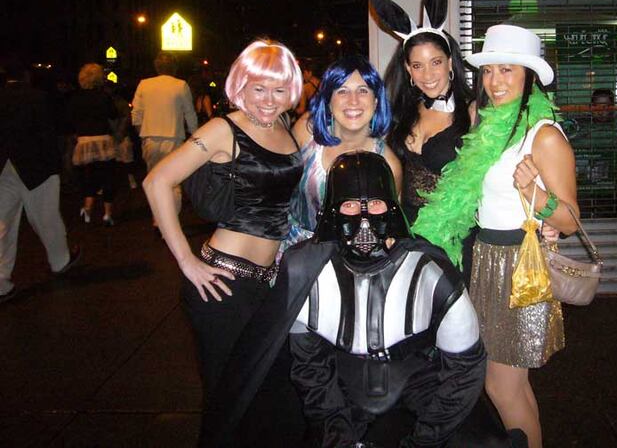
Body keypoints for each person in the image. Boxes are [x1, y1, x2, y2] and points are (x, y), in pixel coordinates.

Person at [202, 152, 527, 448]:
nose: (364, 219)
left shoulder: (430, 271)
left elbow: (465, 369)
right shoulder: (306, 270)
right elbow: (311, 371)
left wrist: (425, 441)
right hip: (344, 384)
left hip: (419, 379)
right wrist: (337, 435)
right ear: (332, 211)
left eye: (375, 204)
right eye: (350, 206)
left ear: (392, 207)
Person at [412, 24, 580, 448]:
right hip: (486, 258)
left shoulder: (544, 135)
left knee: (503, 387)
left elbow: (570, 221)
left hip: (517, 267)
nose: (495, 81)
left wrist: (536, 195)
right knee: (509, 385)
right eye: (489, 71)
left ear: (529, 76)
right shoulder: (491, 125)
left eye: (507, 70)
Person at [142, 40, 305, 412]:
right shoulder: (223, 129)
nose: (268, 100)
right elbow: (157, 182)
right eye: (258, 88)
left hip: (268, 282)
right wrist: (186, 261)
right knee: (229, 399)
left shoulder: (284, 125)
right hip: (224, 282)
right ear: (241, 86)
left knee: (270, 395)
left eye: (279, 90)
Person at [372, 0, 474, 227]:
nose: (427, 75)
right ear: (408, 69)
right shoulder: (402, 111)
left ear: (450, 62)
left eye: (435, 62)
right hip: (407, 231)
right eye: (418, 65)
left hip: (453, 236)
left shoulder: (474, 111)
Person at [284, 52, 402, 249]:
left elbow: (390, 227)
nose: (353, 101)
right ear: (329, 101)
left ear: (376, 101)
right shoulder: (306, 132)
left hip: (350, 258)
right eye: (342, 91)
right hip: (294, 251)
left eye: (363, 90)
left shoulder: (388, 165)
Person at [0, 58, 81, 304]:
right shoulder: (37, 98)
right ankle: (59, 260)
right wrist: (56, 165)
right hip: (36, 166)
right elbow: (47, 132)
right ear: (26, 75)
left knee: (3, 223)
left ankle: (1, 281)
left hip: (4, 166)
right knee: (46, 217)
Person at [132, 52, 198, 227]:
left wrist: (143, 133)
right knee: (173, 182)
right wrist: (195, 136)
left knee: (154, 180)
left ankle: (158, 218)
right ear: (174, 67)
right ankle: (171, 221)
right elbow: (190, 114)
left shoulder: (144, 84)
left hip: (150, 139)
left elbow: (136, 115)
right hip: (174, 138)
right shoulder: (181, 85)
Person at [67, 63, 120, 226]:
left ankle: (88, 207)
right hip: (103, 139)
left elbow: (70, 120)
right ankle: (107, 213)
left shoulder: (75, 98)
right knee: (108, 177)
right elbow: (114, 115)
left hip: (84, 141)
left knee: (88, 176)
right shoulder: (103, 96)